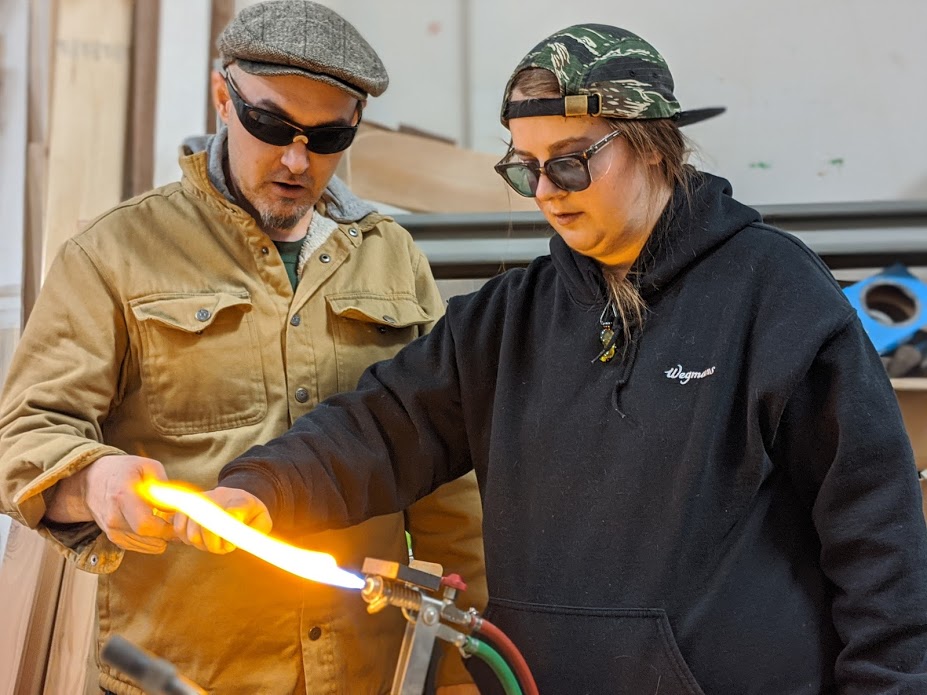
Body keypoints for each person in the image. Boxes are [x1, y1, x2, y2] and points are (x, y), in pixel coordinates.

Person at [179, 23, 927, 694]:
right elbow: (384, 425)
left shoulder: (774, 295)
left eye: (569, 165)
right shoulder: (510, 319)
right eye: (522, 169)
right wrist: (262, 488)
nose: (544, 193)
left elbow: (877, 532)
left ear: (651, 142)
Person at [0, 1, 487, 693]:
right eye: (271, 125)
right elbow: (22, 435)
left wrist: (459, 670)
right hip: (190, 672)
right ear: (223, 97)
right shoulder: (115, 255)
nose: (296, 159)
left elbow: (445, 476)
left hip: (363, 669)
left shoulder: (393, 260)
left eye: (327, 138)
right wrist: (96, 482)